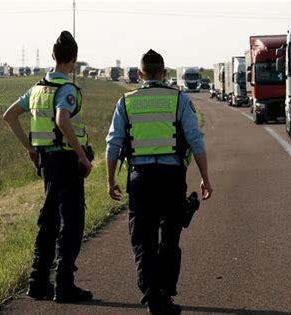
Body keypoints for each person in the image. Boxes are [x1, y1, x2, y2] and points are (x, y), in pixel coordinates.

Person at [106, 49, 213, 315]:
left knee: (143, 239)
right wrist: (205, 178)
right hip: (171, 179)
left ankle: (153, 297)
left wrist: (110, 180)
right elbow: (195, 139)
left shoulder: (126, 102)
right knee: (170, 236)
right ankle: (164, 291)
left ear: (140, 74)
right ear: (164, 74)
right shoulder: (179, 100)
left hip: (140, 179)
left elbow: (113, 144)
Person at [3, 30, 93, 303]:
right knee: (72, 223)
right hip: (67, 161)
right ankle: (64, 284)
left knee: (49, 220)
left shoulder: (36, 89)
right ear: (74, 59)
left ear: (53, 56)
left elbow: (9, 116)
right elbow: (62, 120)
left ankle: (38, 281)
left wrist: (30, 148)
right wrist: (83, 156)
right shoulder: (67, 89)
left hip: (46, 162)